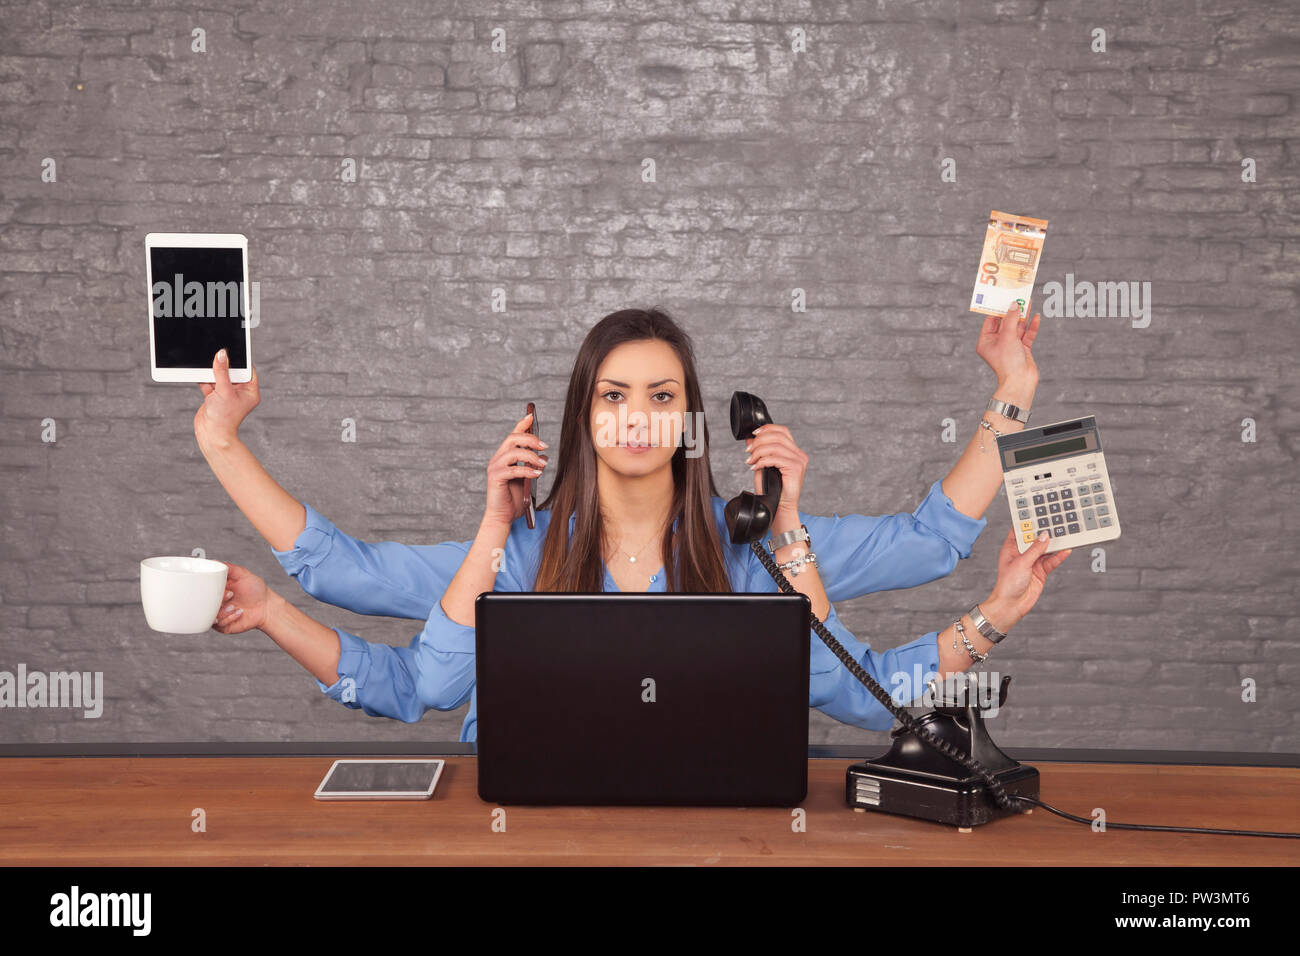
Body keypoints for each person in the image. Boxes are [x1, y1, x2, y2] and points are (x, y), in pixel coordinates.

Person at [195, 306, 1069, 742]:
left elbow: (926, 556)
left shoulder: (763, 545)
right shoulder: (515, 551)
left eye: (662, 397)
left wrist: (1014, 391)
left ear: (693, 421)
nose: (637, 417)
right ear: (585, 417)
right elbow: (334, 573)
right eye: (613, 397)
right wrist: (223, 444)